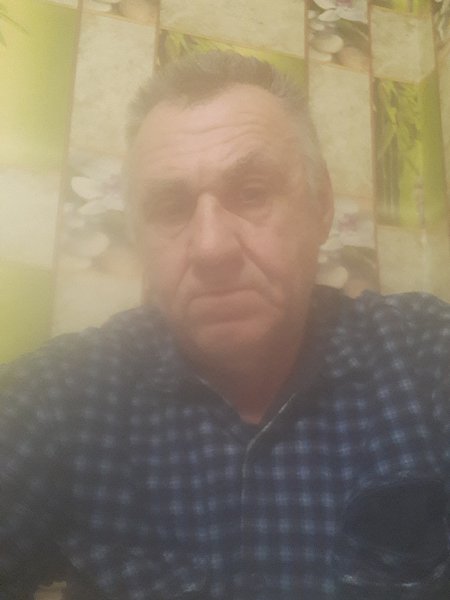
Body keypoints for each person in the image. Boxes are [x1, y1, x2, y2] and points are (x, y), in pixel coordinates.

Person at [0, 51, 449, 600]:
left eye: (253, 193)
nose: (211, 248)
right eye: (171, 207)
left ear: (322, 205)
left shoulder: (425, 361)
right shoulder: (67, 397)